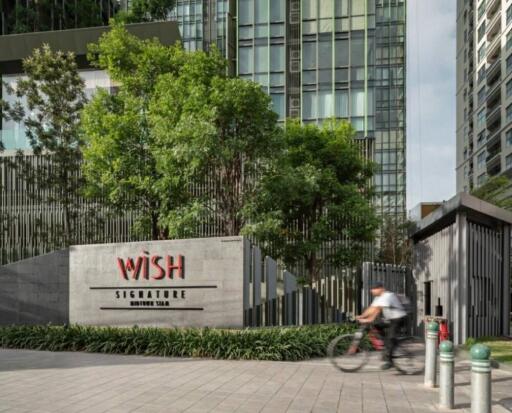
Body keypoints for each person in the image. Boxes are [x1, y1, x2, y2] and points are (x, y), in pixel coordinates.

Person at [356, 281, 407, 370]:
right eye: (372, 289)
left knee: (391, 338)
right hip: (390, 319)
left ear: (381, 289)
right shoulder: (378, 298)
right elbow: (371, 309)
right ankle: (386, 346)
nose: (372, 291)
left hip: (399, 319)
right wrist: (362, 316)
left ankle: (390, 361)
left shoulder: (388, 296)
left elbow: (378, 309)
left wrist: (369, 319)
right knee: (376, 326)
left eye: (374, 289)